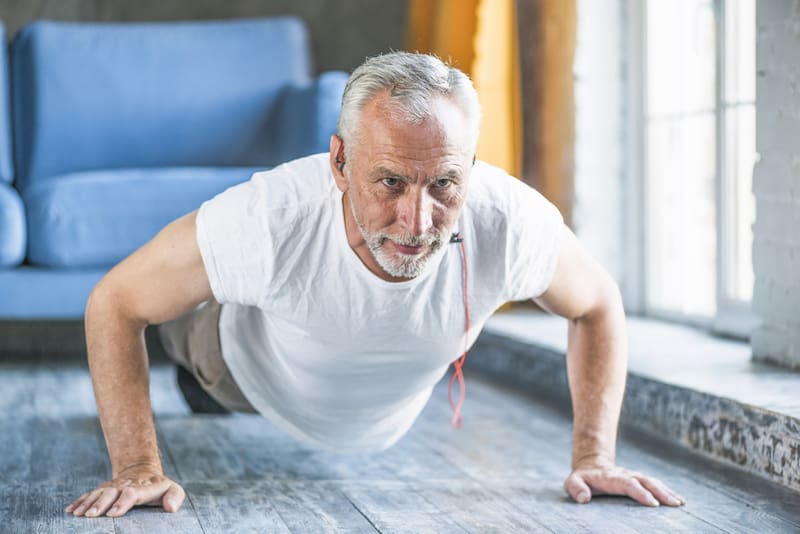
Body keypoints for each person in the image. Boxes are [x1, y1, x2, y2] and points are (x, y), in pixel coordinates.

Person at [66, 51, 685, 519]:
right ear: (339, 163)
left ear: (470, 168)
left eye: (443, 184)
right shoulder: (266, 218)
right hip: (238, 371)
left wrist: (594, 457)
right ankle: (192, 356)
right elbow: (115, 301)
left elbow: (598, 302)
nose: (417, 224)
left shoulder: (508, 219)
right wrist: (139, 466)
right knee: (184, 327)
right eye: (389, 182)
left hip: (372, 412)